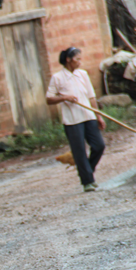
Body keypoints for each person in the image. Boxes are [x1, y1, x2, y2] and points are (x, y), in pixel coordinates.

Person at [46, 47, 106, 192]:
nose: (80, 61)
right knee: (79, 151)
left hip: (88, 116)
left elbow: (91, 97)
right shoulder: (58, 78)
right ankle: (88, 182)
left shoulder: (83, 74)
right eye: (77, 59)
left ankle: (87, 172)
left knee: (99, 145)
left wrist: (98, 116)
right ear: (69, 60)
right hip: (72, 121)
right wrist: (64, 97)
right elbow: (49, 99)